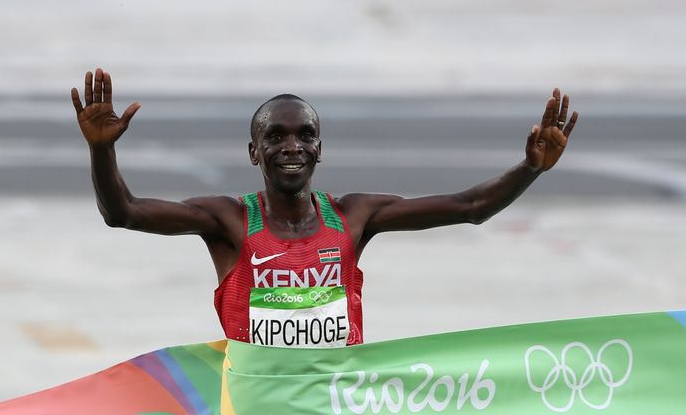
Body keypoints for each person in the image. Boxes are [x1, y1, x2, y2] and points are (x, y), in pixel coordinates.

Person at [70, 68, 579, 348]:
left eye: (305, 135)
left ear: (320, 148)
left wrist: (529, 168)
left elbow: (470, 206)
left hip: (337, 402)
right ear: (254, 152)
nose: (291, 146)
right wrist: (101, 149)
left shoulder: (354, 217)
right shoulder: (229, 220)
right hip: (255, 404)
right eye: (275, 136)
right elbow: (124, 212)